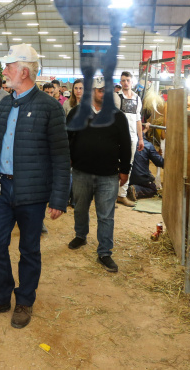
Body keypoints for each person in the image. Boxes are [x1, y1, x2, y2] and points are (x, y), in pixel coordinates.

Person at [0, 44, 70, 330]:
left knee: (29, 250)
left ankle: (24, 300)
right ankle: (0, 296)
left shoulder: (50, 108)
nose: (4, 71)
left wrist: (58, 198)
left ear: (24, 71)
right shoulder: (4, 104)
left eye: (9, 67)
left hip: (32, 193)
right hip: (1, 189)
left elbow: (61, 156)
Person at [65, 75, 131, 273]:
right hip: (81, 172)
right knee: (80, 208)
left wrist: (125, 170)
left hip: (108, 175)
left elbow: (125, 145)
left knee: (106, 215)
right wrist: (68, 159)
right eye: (101, 90)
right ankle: (81, 235)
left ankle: (104, 252)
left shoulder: (118, 116)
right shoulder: (77, 112)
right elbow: (67, 137)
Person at [117, 71, 144, 207]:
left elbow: (138, 119)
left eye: (128, 80)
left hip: (132, 136)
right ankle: (111, 195)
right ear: (120, 82)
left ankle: (121, 195)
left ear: (132, 82)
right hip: (117, 136)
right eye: (123, 80)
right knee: (114, 163)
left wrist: (141, 138)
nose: (126, 83)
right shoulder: (116, 97)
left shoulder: (137, 98)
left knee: (129, 163)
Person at [129, 128, 164, 199]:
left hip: (126, 176)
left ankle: (128, 188)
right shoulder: (148, 145)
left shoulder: (126, 142)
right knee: (152, 189)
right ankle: (136, 189)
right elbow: (159, 162)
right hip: (140, 177)